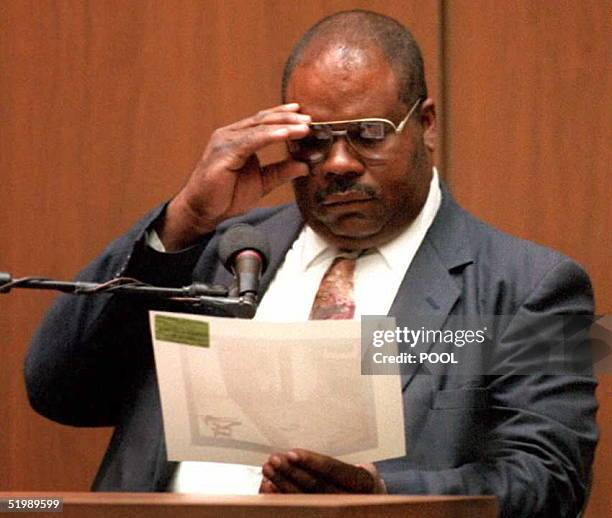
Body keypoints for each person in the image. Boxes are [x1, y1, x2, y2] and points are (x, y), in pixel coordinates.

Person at [24, 10, 597, 517]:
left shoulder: (537, 286)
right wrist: (183, 219)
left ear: (425, 125)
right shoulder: (216, 254)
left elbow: (552, 481)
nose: (339, 163)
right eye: (314, 140)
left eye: (368, 134)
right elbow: (58, 390)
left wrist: (382, 497)